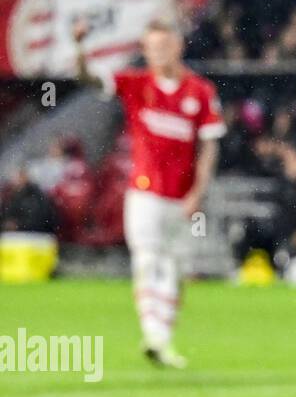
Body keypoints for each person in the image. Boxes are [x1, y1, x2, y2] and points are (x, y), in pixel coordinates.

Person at [73, 18, 224, 368]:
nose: (157, 52)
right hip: (143, 192)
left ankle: (163, 340)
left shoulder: (200, 92)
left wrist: (198, 193)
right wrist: (79, 48)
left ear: (178, 46)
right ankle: (153, 333)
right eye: (151, 47)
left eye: (163, 45)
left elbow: (209, 148)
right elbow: (88, 78)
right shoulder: (135, 84)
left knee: (175, 267)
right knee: (147, 257)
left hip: (182, 196)